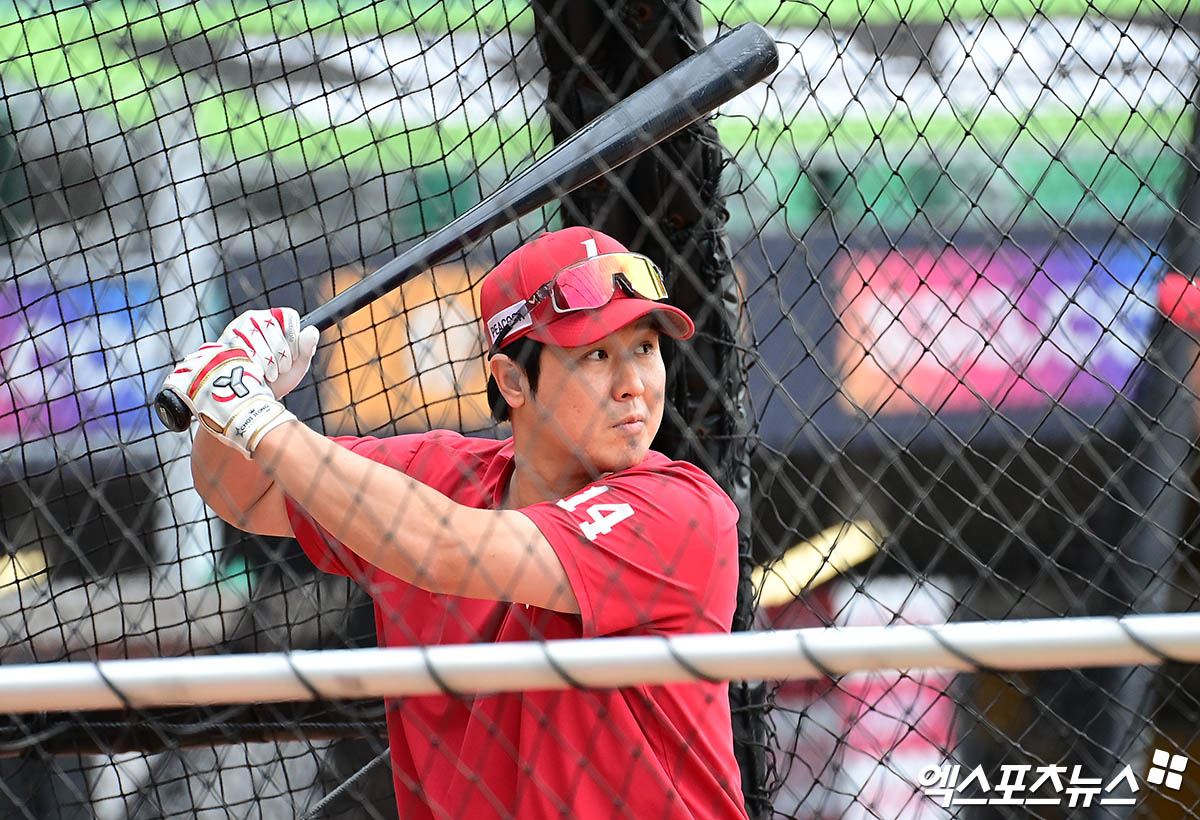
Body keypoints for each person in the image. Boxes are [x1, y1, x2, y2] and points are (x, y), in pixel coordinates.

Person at [163, 226, 748, 820]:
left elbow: (447, 549)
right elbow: (244, 493)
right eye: (596, 354)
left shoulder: (681, 511)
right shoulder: (437, 476)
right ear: (512, 380)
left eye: (644, 348)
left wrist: (258, 418)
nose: (635, 386)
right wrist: (232, 401)